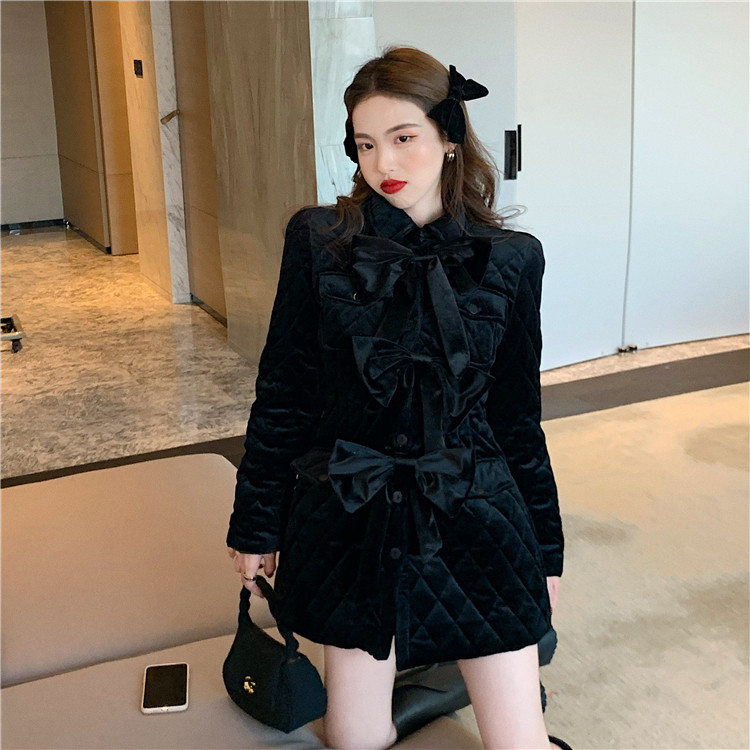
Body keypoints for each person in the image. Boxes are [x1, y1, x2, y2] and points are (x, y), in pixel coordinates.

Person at [227, 47, 567, 750]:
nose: (383, 162)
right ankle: (422, 689)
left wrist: (546, 549)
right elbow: (285, 390)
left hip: (475, 510)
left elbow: (515, 418)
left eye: (403, 136)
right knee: (354, 738)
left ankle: (443, 678)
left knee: (519, 741)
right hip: (352, 512)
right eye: (365, 143)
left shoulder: (513, 259)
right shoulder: (318, 241)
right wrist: (256, 524)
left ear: (449, 136)